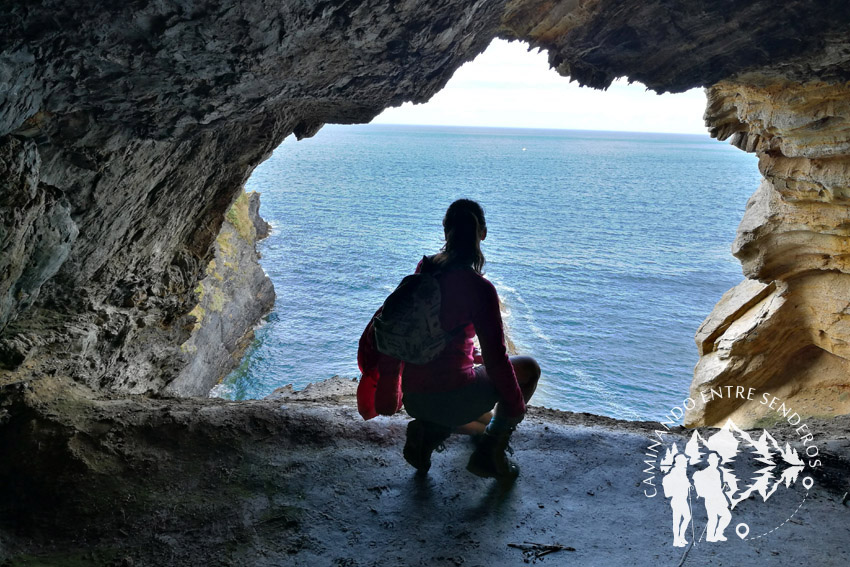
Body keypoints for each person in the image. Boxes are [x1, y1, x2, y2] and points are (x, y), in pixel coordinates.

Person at [395, 199, 541, 481]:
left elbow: (435, 339)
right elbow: (498, 361)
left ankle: (428, 433)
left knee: (481, 418)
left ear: (445, 230)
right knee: (528, 368)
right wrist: (515, 407)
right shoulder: (479, 288)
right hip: (449, 397)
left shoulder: (424, 269)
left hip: (412, 396)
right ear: (482, 234)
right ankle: (491, 452)